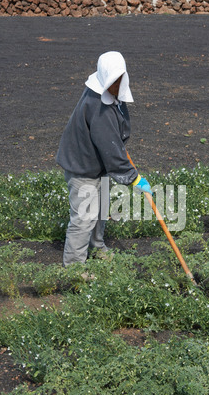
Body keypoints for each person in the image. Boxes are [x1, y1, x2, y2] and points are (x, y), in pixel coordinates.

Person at [56, 51, 152, 267]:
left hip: (97, 163)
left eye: (119, 80)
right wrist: (134, 179)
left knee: (100, 211)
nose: (116, 86)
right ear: (104, 77)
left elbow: (112, 141)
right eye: (113, 81)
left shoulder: (109, 95)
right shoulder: (99, 107)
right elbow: (112, 151)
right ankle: (73, 268)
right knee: (83, 218)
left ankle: (96, 246)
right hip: (83, 168)